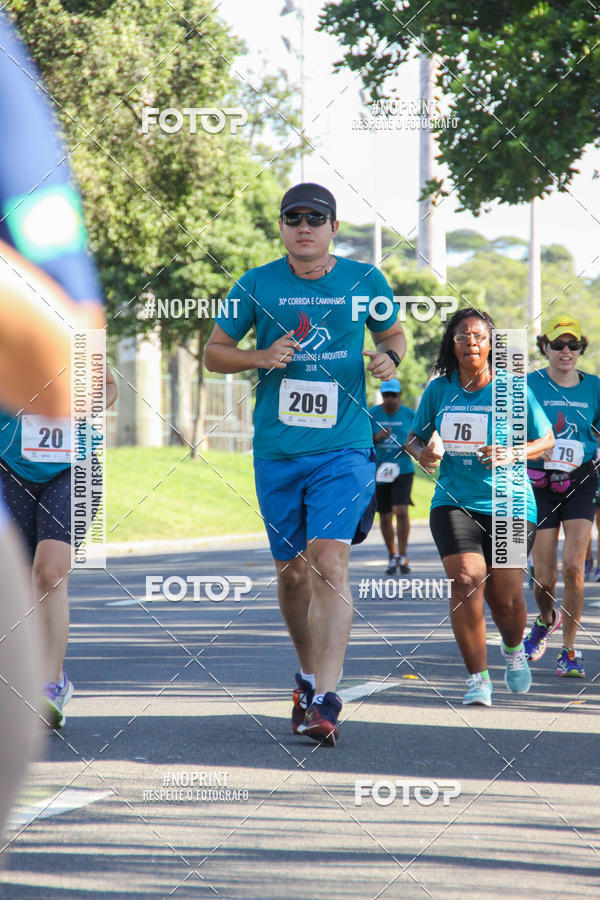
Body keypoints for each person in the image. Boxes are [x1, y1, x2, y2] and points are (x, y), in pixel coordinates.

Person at [205, 182, 406, 744]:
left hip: (343, 447)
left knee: (329, 563)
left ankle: (327, 699)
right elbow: (214, 352)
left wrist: (388, 358)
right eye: (293, 218)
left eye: (315, 218)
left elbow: (393, 332)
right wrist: (259, 356)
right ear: (282, 228)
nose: (304, 227)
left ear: (334, 227)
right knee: (292, 573)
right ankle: (308, 674)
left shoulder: (364, 281)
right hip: (277, 450)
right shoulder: (255, 284)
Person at [0, 11, 106, 835]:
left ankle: (53, 680)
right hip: (6, 456)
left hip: (67, 459)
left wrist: (75, 373)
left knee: (49, 572)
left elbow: (67, 319)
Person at [405, 308, 554, 706]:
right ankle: (478, 679)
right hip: (454, 500)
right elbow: (413, 438)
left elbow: (547, 440)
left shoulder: (512, 388)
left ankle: (513, 650)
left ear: (490, 345)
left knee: (505, 598)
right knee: (467, 580)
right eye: (462, 336)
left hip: (510, 502)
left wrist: (512, 452)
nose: (471, 341)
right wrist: (424, 454)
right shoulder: (439, 390)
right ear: (450, 346)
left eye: (478, 336)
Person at [0, 365, 117, 729]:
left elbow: (109, 386)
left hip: (73, 470)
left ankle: (49, 687)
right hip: (10, 467)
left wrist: (82, 407)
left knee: (49, 573)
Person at [523, 315, 600, 677]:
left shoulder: (595, 387)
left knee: (574, 567)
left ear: (581, 349)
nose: (566, 351)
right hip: (539, 485)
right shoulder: (527, 385)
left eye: (573, 345)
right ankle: (545, 618)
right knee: (544, 577)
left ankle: (569, 650)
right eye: (558, 345)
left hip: (581, 482)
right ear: (545, 347)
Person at [369, 378, 415, 575]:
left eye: (393, 395)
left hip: (402, 469)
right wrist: (377, 438)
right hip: (379, 471)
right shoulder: (372, 414)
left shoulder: (410, 415)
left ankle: (403, 554)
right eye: (386, 395)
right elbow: (361, 439)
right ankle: (392, 555)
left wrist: (411, 446)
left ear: (400, 396)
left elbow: (419, 437)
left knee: (401, 511)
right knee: (386, 516)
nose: (389, 399)